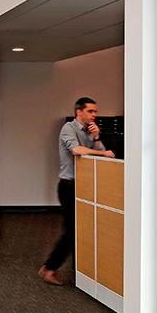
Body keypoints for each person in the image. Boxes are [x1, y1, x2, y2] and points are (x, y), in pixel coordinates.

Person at [39, 97, 115, 286]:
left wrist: (97, 138)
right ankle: (49, 268)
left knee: (79, 229)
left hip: (85, 186)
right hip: (68, 186)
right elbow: (77, 151)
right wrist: (102, 153)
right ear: (78, 112)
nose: (94, 115)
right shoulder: (69, 129)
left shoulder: (90, 132)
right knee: (72, 230)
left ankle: (70, 268)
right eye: (90, 111)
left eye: (95, 111)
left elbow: (101, 156)